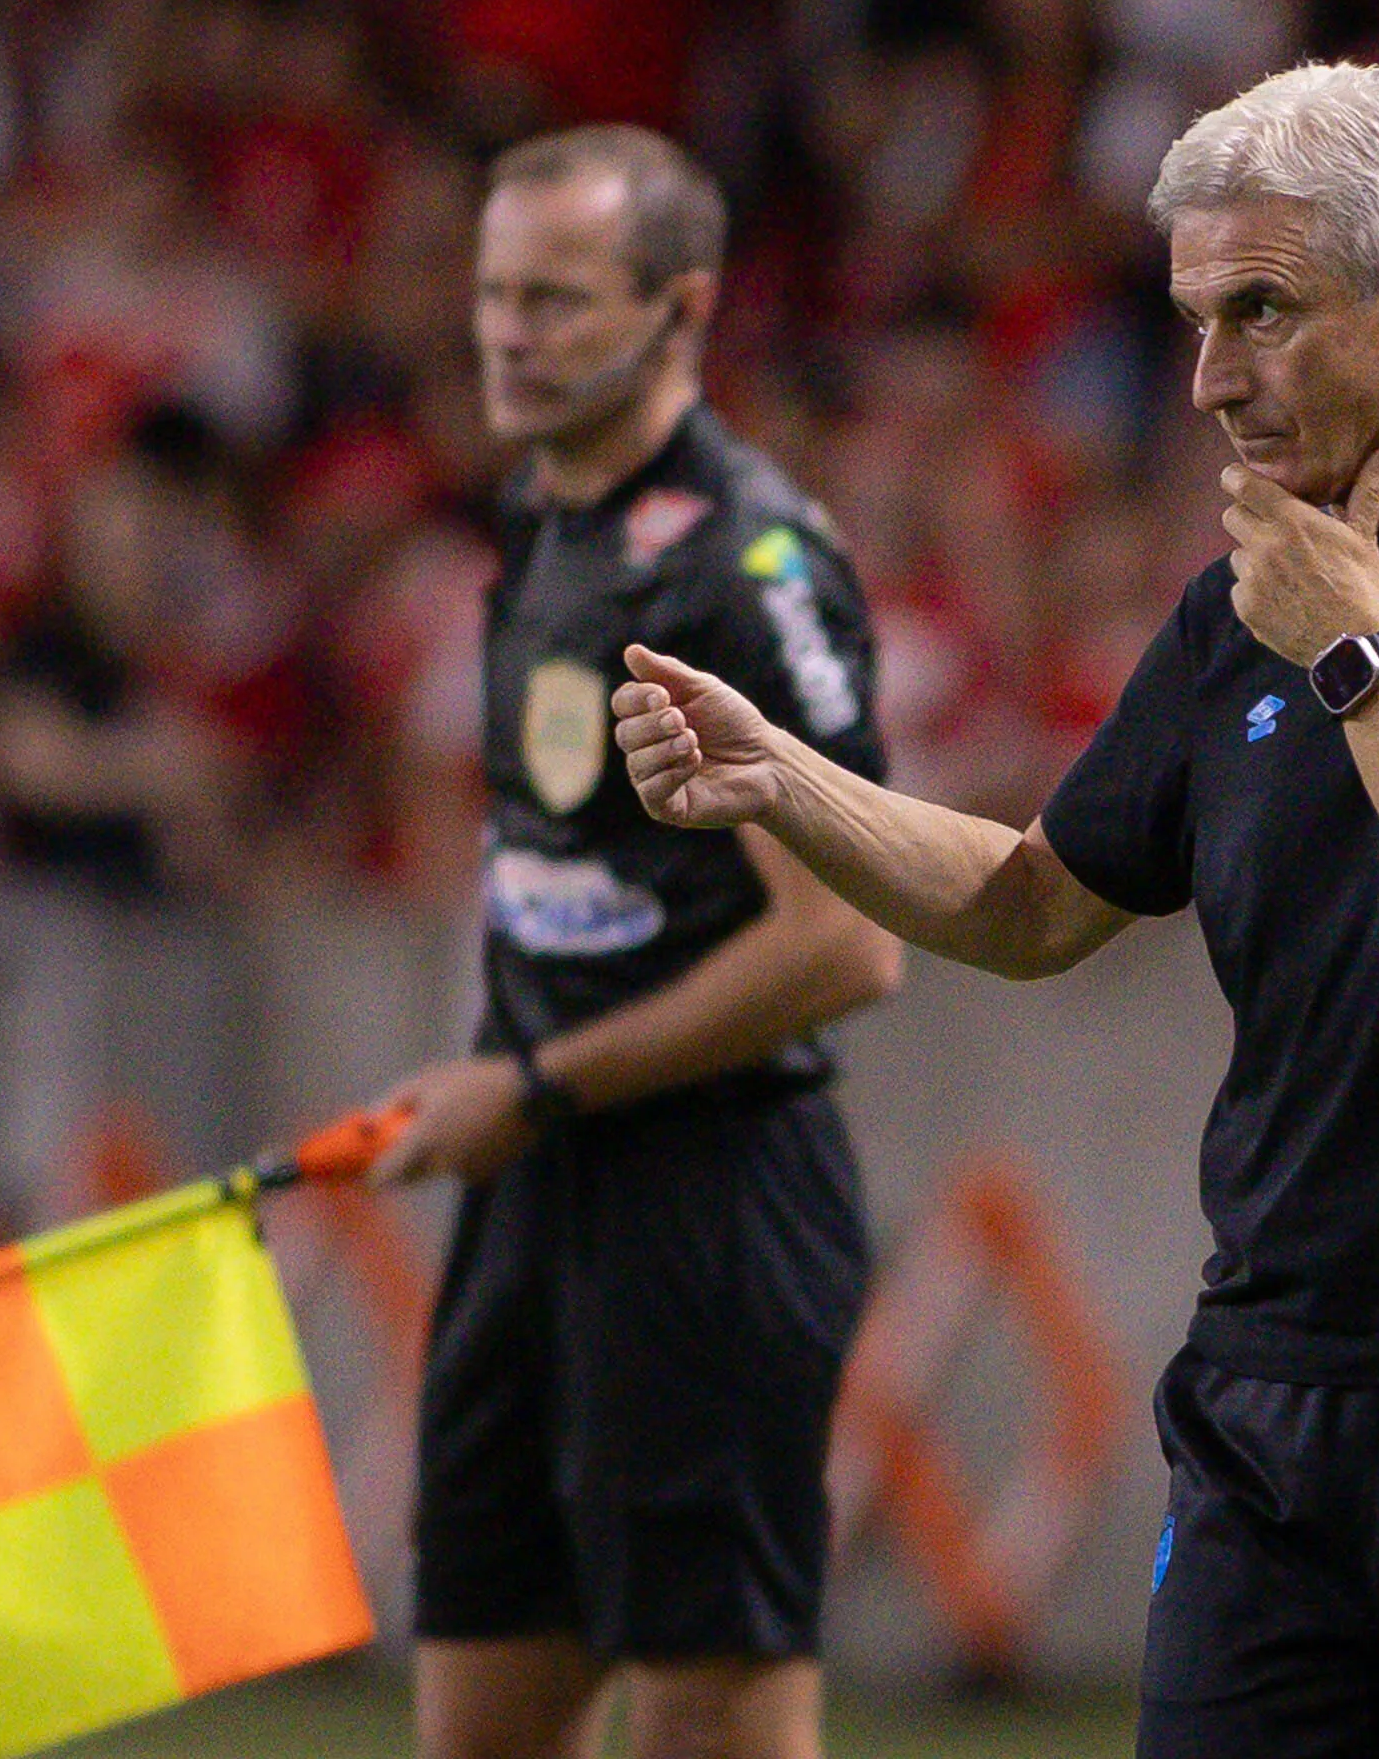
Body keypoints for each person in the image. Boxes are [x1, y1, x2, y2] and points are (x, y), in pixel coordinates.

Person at [614, 63, 1379, 1759]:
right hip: (1269, 1406)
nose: (1213, 379)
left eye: (1264, 314)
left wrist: (1357, 646)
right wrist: (785, 778)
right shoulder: (1243, 616)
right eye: (1196, 323)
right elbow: (1033, 903)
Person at [366, 125, 902, 1759]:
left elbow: (847, 951)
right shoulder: (538, 520)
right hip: (536, 1194)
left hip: (706, 1202)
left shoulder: (747, 565)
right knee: (477, 1713)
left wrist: (531, 1082)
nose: (509, 335)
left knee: (707, 1721)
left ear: (683, 308)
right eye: (491, 296)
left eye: (556, 299)